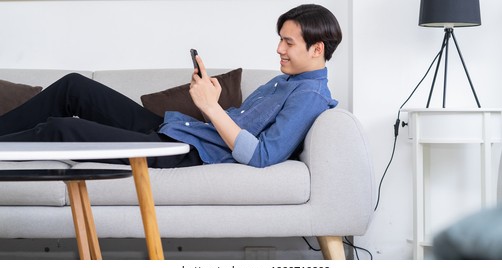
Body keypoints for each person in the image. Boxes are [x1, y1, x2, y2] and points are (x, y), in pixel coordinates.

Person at [0, 4, 341, 168]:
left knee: (61, 130)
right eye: (279, 40)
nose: (279, 49)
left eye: (288, 43)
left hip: (185, 152)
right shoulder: (284, 80)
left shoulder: (310, 95)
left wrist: (209, 107)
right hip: (179, 130)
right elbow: (237, 126)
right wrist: (215, 104)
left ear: (317, 48)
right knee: (73, 87)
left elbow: (262, 155)